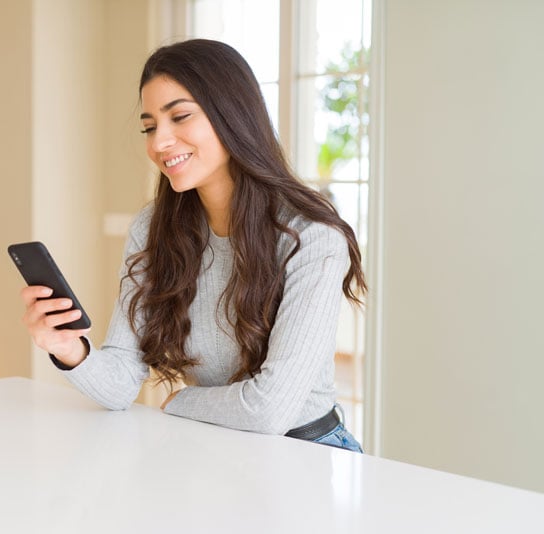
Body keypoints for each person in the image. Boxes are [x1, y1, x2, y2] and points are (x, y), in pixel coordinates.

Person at [20, 39, 367, 452]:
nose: (159, 143)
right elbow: (118, 387)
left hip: (306, 453)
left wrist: (183, 400)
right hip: (213, 447)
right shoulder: (153, 227)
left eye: (179, 117)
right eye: (149, 127)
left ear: (232, 115)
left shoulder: (310, 234)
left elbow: (269, 410)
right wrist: (69, 348)